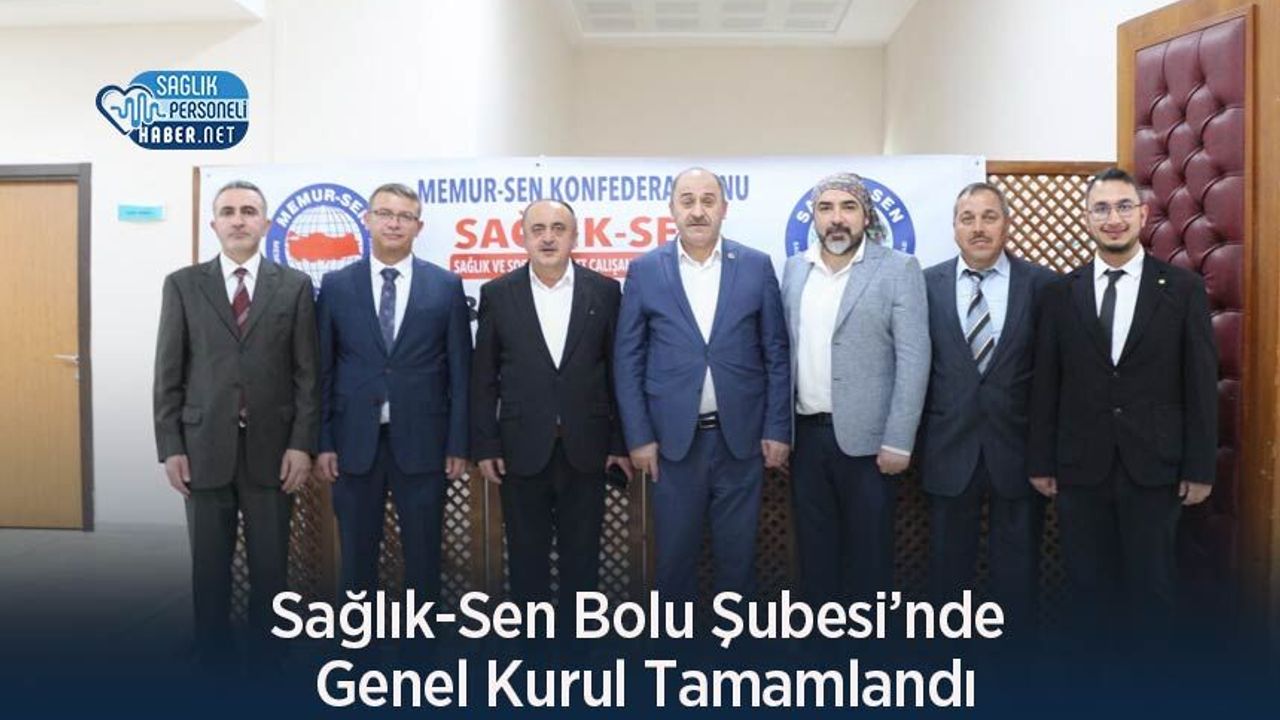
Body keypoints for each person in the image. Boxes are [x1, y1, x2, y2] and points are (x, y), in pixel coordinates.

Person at [1028, 167, 1217, 644]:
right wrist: (1041, 462)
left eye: (1123, 207)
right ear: (1087, 218)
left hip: (1155, 468)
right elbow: (1046, 383)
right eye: (1101, 208)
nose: (1113, 218)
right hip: (1079, 469)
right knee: (1087, 590)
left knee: (1152, 590)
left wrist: (1200, 467)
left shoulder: (1183, 290)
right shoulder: (1059, 294)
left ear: (1143, 214)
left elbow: (1199, 383)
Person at [153, 180, 319, 667]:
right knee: (209, 566)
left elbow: (308, 374)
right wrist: (171, 446)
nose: (239, 219)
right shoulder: (183, 285)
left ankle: (269, 654)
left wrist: (302, 444)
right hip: (203, 447)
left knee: (271, 565)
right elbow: (168, 372)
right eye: (228, 211)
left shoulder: (294, 286)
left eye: (249, 211)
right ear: (214, 224)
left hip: (274, 449)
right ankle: (213, 653)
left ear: (266, 223)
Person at [614, 167, 791, 602]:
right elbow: (628, 360)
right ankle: (676, 647)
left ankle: (734, 646)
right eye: (687, 201)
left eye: (708, 201)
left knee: (738, 561)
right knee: (673, 563)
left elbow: (776, 353)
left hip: (741, 442)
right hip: (672, 446)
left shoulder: (755, 266)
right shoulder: (645, 270)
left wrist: (777, 428)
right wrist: (638, 437)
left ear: (724, 208)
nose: (698, 211)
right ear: (671, 209)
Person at [471, 199, 632, 634]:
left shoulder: (605, 291)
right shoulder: (498, 294)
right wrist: (485, 445)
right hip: (520, 450)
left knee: (584, 561)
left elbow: (617, 373)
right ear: (522, 237)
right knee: (526, 562)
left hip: (588, 450)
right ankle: (534, 656)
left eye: (559, 228)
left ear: (575, 236)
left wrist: (619, 443)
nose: (548, 237)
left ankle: (577, 656)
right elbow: (483, 378)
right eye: (538, 229)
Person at [314, 182, 470, 601]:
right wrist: (324, 441)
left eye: (404, 216)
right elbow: (322, 370)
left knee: (424, 558)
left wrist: (458, 443)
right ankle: (359, 639)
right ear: (367, 220)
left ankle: (420, 642)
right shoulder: (336, 285)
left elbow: (460, 372)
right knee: (356, 558)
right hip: (352, 444)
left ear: (419, 226)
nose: (394, 223)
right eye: (385, 213)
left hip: (424, 444)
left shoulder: (445, 286)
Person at [780, 172, 929, 602]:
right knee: (814, 558)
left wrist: (899, 441)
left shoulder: (898, 268)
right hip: (806, 440)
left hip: (871, 446)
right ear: (814, 217)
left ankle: (868, 644)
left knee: (869, 561)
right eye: (825, 208)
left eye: (848, 207)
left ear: (866, 216)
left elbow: (914, 359)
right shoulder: (795, 269)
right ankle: (822, 643)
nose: (836, 218)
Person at [919, 182, 1055, 634]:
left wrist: (1047, 454)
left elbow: (1053, 376)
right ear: (954, 227)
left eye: (989, 217)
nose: (978, 228)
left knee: (1017, 577)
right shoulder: (926, 285)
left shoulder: (1043, 286)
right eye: (968, 218)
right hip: (946, 450)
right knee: (946, 575)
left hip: (1019, 454)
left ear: (1007, 223)